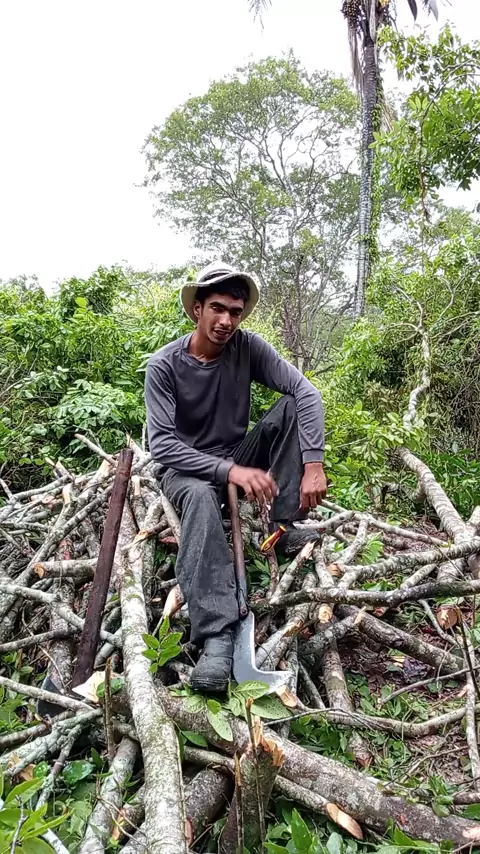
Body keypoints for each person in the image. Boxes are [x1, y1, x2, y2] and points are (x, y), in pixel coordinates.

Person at [145, 260, 327, 693]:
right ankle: (217, 636)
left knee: (289, 408)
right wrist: (231, 471)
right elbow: (163, 447)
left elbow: (305, 393)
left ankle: (280, 527)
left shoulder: (248, 348)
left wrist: (314, 464)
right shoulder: (164, 365)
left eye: (235, 312)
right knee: (200, 496)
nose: (226, 321)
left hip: (234, 456)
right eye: (217, 308)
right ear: (198, 309)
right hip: (185, 468)